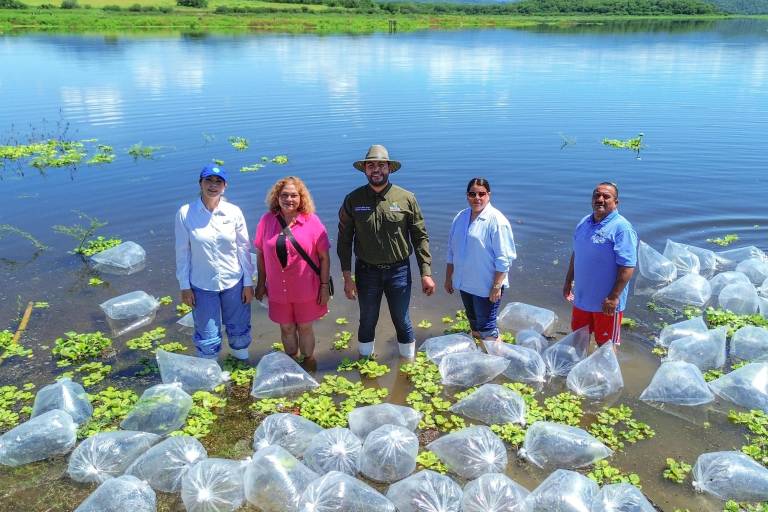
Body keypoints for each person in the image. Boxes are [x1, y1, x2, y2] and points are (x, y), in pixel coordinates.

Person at [337, 144, 435, 359]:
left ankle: (407, 367)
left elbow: (420, 237)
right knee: (367, 319)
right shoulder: (353, 199)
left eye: (381, 165)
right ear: (364, 169)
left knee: (402, 319)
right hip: (366, 272)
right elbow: (344, 240)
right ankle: (364, 363)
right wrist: (346, 276)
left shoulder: (406, 198)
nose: (376, 169)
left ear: (389, 168)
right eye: (371, 165)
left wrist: (425, 274)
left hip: (399, 272)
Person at [174, 164, 254, 360]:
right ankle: (211, 375)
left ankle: (242, 365)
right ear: (200, 183)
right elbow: (182, 252)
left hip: (234, 282)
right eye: (208, 180)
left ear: (224, 186)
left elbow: (243, 248)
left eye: (218, 181)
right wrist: (185, 286)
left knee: (239, 329)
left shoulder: (233, 212)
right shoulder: (185, 213)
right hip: (202, 285)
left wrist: (248, 283)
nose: (213, 185)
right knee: (207, 336)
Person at [254, 176, 330, 362]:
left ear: (301, 198)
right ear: (277, 198)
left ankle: (309, 364)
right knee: (286, 328)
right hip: (278, 290)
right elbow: (260, 254)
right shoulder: (267, 221)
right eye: (284, 195)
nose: (289, 199)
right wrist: (261, 284)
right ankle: (291, 362)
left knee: (305, 327)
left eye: (294, 195)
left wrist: (324, 286)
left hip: (306, 288)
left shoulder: (312, 221)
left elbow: (324, 257)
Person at [562, 181, 637, 346]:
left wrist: (613, 297)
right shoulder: (584, 222)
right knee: (577, 340)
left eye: (606, 196)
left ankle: (608, 373)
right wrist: (568, 281)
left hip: (606, 303)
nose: (600, 199)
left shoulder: (622, 228)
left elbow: (628, 267)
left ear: (616, 202)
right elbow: (577, 253)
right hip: (582, 299)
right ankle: (578, 371)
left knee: (607, 346)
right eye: (597, 195)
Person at [444, 178, 517, 341]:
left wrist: (496, 287)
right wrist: (449, 278)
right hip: (465, 283)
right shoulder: (461, 217)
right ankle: (479, 357)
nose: (477, 198)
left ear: (488, 195)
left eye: (481, 194)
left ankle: (496, 362)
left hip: (486, 287)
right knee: (474, 325)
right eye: (472, 194)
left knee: (487, 329)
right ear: (467, 196)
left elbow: (504, 259)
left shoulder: (497, 221)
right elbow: (451, 250)